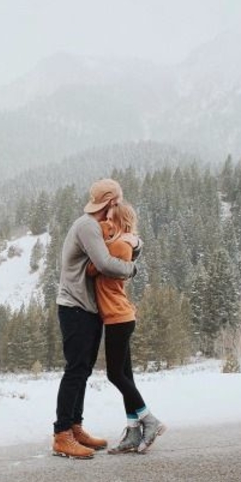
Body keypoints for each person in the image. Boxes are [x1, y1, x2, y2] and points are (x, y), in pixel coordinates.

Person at [52, 178, 139, 459]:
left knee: (83, 370)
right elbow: (104, 263)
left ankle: (75, 427)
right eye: (118, 201)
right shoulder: (87, 226)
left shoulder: (97, 225)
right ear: (111, 202)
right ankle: (62, 434)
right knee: (76, 369)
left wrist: (135, 243)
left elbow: (119, 243)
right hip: (75, 307)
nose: (120, 205)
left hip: (87, 308)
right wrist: (132, 268)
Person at [88, 202, 166, 454]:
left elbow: (92, 268)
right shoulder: (123, 243)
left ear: (121, 221)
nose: (107, 222)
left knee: (115, 375)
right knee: (126, 376)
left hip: (117, 318)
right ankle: (133, 430)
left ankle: (149, 419)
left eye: (111, 218)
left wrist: (99, 233)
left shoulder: (119, 245)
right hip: (119, 316)